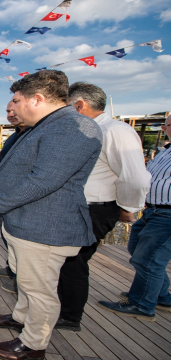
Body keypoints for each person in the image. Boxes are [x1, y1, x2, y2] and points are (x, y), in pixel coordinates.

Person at [0, 70, 102, 360]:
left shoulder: (72, 127)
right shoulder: (47, 125)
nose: (15, 108)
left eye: (17, 101)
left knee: (40, 290)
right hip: (26, 223)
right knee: (25, 280)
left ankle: (33, 344)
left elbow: (44, 180)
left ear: (37, 99)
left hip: (45, 226)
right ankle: (21, 318)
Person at [52, 82, 151, 331]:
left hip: (94, 208)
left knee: (73, 261)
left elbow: (135, 177)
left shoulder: (115, 131)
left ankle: (70, 316)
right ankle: (60, 309)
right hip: (79, 207)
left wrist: (130, 206)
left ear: (79, 104)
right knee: (64, 261)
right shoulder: (91, 130)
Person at [98, 114, 171, 321]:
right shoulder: (165, 151)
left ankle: (142, 304)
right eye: (164, 125)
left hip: (167, 213)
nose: (164, 129)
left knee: (149, 259)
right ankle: (161, 295)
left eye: (166, 125)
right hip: (153, 210)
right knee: (138, 250)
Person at [0, 102, 29, 294]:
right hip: (6, 198)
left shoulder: (34, 135)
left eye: (14, 110)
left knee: (23, 244)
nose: (10, 115)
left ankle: (22, 282)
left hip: (23, 199)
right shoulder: (15, 136)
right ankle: (12, 271)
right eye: (8, 111)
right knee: (9, 237)